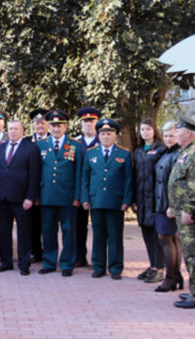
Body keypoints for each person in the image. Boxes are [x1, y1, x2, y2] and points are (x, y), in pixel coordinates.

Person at [168, 116, 195, 309]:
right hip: (182, 210)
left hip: (192, 214)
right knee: (192, 254)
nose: (175, 134)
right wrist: (174, 205)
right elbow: (180, 181)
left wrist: (188, 209)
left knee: (194, 255)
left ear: (187, 133)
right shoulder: (186, 151)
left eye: (177, 131)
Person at [81, 118, 133, 280]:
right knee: (98, 236)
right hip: (96, 201)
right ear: (98, 136)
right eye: (102, 134)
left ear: (115, 136)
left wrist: (126, 200)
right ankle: (98, 266)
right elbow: (85, 178)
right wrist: (85, 198)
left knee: (115, 237)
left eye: (109, 134)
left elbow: (128, 180)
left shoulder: (124, 154)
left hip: (115, 202)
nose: (105, 137)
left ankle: (116, 268)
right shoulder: (91, 153)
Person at [37, 110, 82, 277]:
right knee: (48, 230)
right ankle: (49, 262)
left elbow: (78, 173)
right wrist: (36, 195)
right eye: (53, 125)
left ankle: (67, 264)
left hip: (67, 197)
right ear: (49, 126)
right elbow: (37, 172)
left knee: (68, 231)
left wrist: (77, 196)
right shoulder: (41, 145)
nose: (56, 129)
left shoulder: (75, 145)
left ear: (66, 126)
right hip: (46, 195)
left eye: (60, 125)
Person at [0, 119, 41, 276]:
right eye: (10, 129)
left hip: (22, 199)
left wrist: (30, 197)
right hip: (4, 198)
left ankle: (24, 264)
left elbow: (34, 175)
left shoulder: (31, 148)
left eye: (16, 129)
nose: (12, 132)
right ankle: (6, 262)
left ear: (22, 130)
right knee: (4, 232)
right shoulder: (0, 148)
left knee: (24, 232)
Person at [133, 118, 166, 283]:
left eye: (148, 129)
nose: (145, 132)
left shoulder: (161, 149)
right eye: (142, 129)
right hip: (141, 198)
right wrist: (133, 199)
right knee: (146, 233)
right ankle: (152, 265)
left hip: (155, 199)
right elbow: (135, 176)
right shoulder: (138, 151)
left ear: (154, 130)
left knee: (156, 234)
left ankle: (160, 268)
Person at [153, 122, 183, 293]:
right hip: (162, 202)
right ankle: (176, 275)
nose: (168, 139)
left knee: (166, 239)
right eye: (165, 136)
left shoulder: (178, 154)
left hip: (168, 204)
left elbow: (178, 183)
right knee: (171, 239)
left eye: (172, 135)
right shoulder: (166, 152)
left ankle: (170, 278)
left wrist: (172, 205)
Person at [73, 107, 102, 267]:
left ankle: (99, 259)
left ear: (97, 123)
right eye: (85, 121)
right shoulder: (75, 142)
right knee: (78, 226)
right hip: (80, 190)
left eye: (91, 121)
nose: (88, 124)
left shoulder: (104, 140)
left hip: (98, 190)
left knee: (99, 227)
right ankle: (79, 256)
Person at [26, 108, 49, 263]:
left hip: (48, 189)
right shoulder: (27, 141)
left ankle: (48, 253)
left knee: (47, 224)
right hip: (31, 189)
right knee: (33, 224)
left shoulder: (53, 140)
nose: (39, 125)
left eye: (42, 122)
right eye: (37, 123)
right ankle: (36, 252)